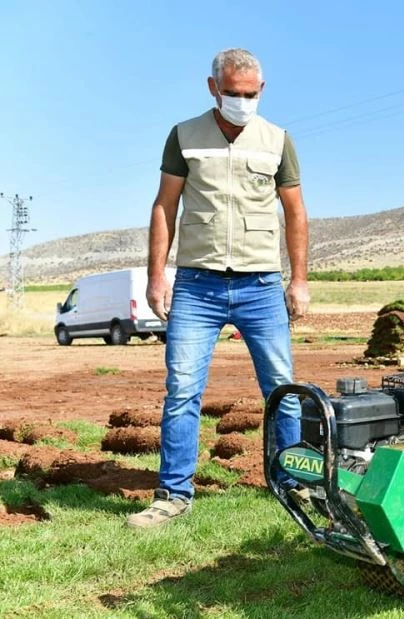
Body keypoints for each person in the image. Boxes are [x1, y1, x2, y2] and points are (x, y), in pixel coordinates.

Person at [127, 48, 310, 528]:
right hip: (196, 285)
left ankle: (292, 484)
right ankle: (173, 494)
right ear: (213, 88)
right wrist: (155, 276)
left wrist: (300, 281)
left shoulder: (278, 140)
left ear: (262, 91)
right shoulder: (184, 136)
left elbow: (295, 213)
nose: (242, 102)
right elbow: (165, 206)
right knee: (183, 389)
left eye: (250, 94)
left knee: (283, 391)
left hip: (262, 286)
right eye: (232, 93)